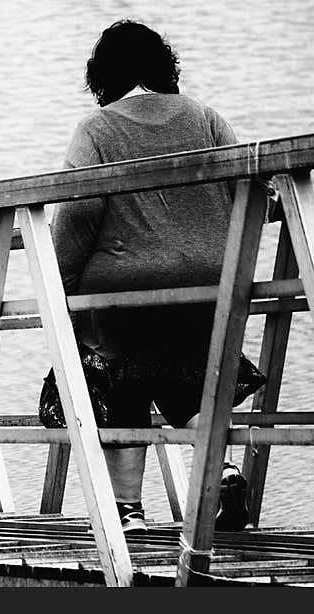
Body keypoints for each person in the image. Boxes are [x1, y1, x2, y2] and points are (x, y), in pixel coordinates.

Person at [51, 20, 256, 532]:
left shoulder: (97, 130)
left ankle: (130, 514)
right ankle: (223, 471)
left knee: (120, 387)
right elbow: (250, 195)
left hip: (123, 291)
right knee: (188, 384)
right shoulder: (207, 119)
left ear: (103, 75)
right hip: (208, 284)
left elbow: (76, 215)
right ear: (165, 67)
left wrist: (61, 288)